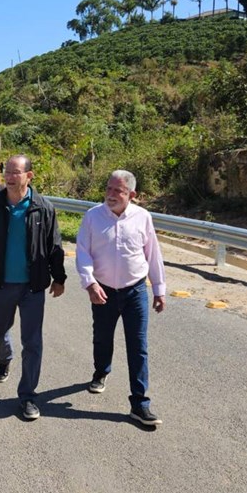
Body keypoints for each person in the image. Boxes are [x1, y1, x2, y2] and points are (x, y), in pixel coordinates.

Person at [0, 154, 66, 421]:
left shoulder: (43, 208)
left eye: (15, 172)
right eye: (6, 171)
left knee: (32, 342)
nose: (8, 176)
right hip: (0, 284)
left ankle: (28, 396)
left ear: (29, 176)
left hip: (33, 287)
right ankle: (5, 357)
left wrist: (59, 277)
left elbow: (54, 245)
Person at [75, 170, 166, 426]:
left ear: (132, 194)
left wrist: (159, 289)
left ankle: (140, 403)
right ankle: (101, 372)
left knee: (138, 346)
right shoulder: (93, 216)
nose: (111, 195)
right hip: (102, 290)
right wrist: (90, 282)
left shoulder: (143, 217)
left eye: (118, 191)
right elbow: (82, 252)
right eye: (109, 189)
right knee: (102, 337)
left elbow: (153, 254)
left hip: (135, 291)